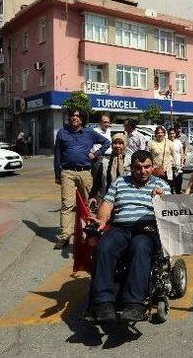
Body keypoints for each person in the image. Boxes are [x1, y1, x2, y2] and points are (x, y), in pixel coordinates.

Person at [88, 150, 171, 322]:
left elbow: (170, 214)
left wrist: (161, 201)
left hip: (147, 230)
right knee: (104, 245)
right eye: (138, 168)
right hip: (121, 228)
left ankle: (134, 305)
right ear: (131, 168)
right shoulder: (119, 182)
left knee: (140, 247)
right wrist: (101, 221)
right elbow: (107, 205)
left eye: (147, 167)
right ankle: (103, 303)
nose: (143, 171)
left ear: (152, 166)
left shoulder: (161, 185)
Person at [53, 108, 110, 249]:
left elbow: (106, 143)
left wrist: (96, 154)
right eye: (72, 115)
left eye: (78, 116)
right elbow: (57, 155)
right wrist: (57, 174)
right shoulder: (62, 133)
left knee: (87, 205)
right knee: (67, 205)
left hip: (85, 172)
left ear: (82, 119)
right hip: (67, 173)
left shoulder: (89, 133)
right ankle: (65, 236)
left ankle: (89, 234)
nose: (75, 118)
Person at [89, 133, 132, 206]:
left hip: (126, 198)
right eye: (115, 143)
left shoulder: (130, 160)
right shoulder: (105, 161)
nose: (117, 146)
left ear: (125, 145)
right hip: (108, 198)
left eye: (120, 143)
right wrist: (92, 196)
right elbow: (98, 181)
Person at [91, 113, 113, 196]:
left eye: (108, 122)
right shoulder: (94, 131)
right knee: (100, 180)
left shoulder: (109, 131)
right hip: (99, 158)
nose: (107, 124)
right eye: (105, 122)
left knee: (108, 179)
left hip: (109, 157)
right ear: (99, 122)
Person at [168, 128, 184, 194]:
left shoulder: (178, 142)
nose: (172, 135)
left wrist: (182, 163)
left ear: (175, 134)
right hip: (169, 166)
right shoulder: (166, 142)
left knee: (178, 183)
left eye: (173, 133)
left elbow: (181, 154)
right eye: (170, 134)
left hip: (178, 165)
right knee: (170, 184)